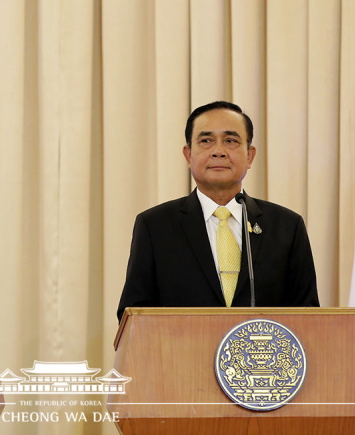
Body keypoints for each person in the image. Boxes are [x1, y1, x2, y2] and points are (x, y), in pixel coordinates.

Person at [117, 101, 318, 321]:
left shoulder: (286, 226)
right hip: (182, 354)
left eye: (230, 141)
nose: (218, 151)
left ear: (249, 156)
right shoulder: (156, 226)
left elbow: (306, 315)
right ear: (188, 155)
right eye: (206, 141)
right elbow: (133, 315)